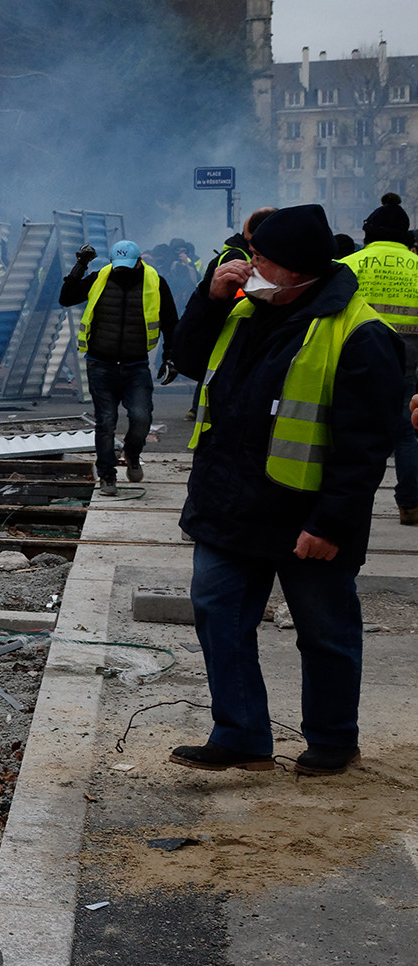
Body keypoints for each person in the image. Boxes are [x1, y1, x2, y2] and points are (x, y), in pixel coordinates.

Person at [165, 203, 404, 776]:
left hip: (306, 515)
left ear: (297, 269)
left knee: (325, 632)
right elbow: (186, 359)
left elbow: (365, 447)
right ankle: (241, 736)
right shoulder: (243, 309)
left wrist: (331, 524)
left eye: (261, 258)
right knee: (219, 615)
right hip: (230, 505)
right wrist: (210, 299)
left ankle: (333, 740)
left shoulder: (361, 334)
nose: (248, 266)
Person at [59, 239, 178, 494]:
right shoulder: (99, 278)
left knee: (141, 417)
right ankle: (107, 475)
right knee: (106, 421)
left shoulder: (156, 282)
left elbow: (170, 322)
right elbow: (66, 297)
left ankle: (132, 454)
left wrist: (171, 357)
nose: (122, 270)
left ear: (139, 262)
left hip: (136, 365)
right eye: (118, 265)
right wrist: (81, 265)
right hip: (100, 364)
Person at [338, 193, 418, 523]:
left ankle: (344, 506)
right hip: (406, 364)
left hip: (353, 362)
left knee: (349, 433)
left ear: (368, 233)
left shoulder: (346, 266)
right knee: (406, 434)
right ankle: (410, 505)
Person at [172, 207, 277, 418]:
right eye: (254, 254)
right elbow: (190, 357)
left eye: (259, 257)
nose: (253, 263)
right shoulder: (235, 258)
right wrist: (212, 300)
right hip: (229, 338)